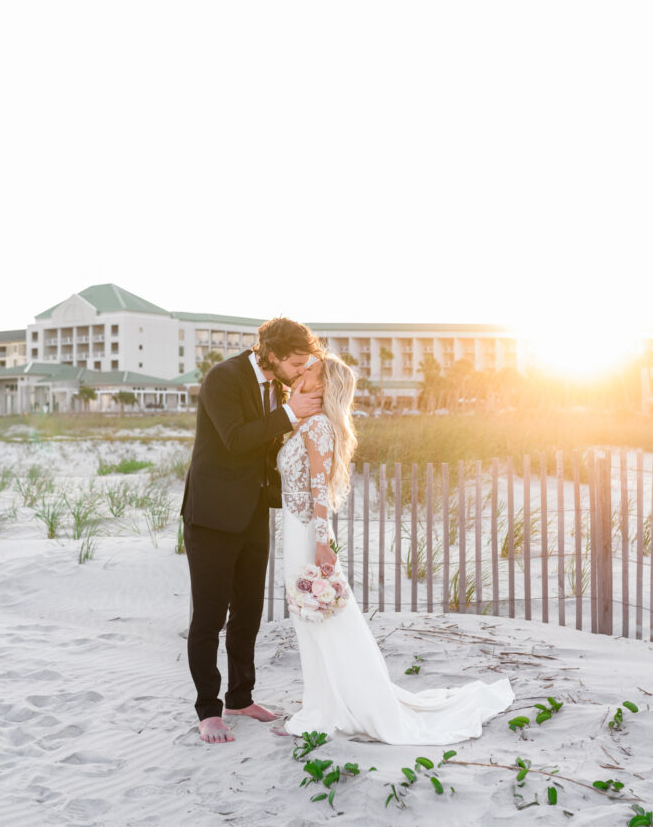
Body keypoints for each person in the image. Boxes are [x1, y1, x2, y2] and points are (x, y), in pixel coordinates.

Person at [278, 353, 514, 743]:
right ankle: (321, 703)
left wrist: (322, 543)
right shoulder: (307, 424)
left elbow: (320, 490)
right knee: (311, 621)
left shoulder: (318, 427)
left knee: (322, 620)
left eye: (310, 370)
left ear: (322, 387)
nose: (301, 372)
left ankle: (329, 708)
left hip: (307, 534)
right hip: (296, 529)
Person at [181, 317, 324, 744]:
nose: (301, 371)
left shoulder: (280, 389)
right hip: (211, 517)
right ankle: (208, 710)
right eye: (296, 363)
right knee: (209, 616)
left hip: (252, 515)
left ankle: (240, 698)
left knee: (248, 612)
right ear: (274, 356)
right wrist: (288, 414)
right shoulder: (223, 378)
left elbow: (268, 449)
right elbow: (234, 440)